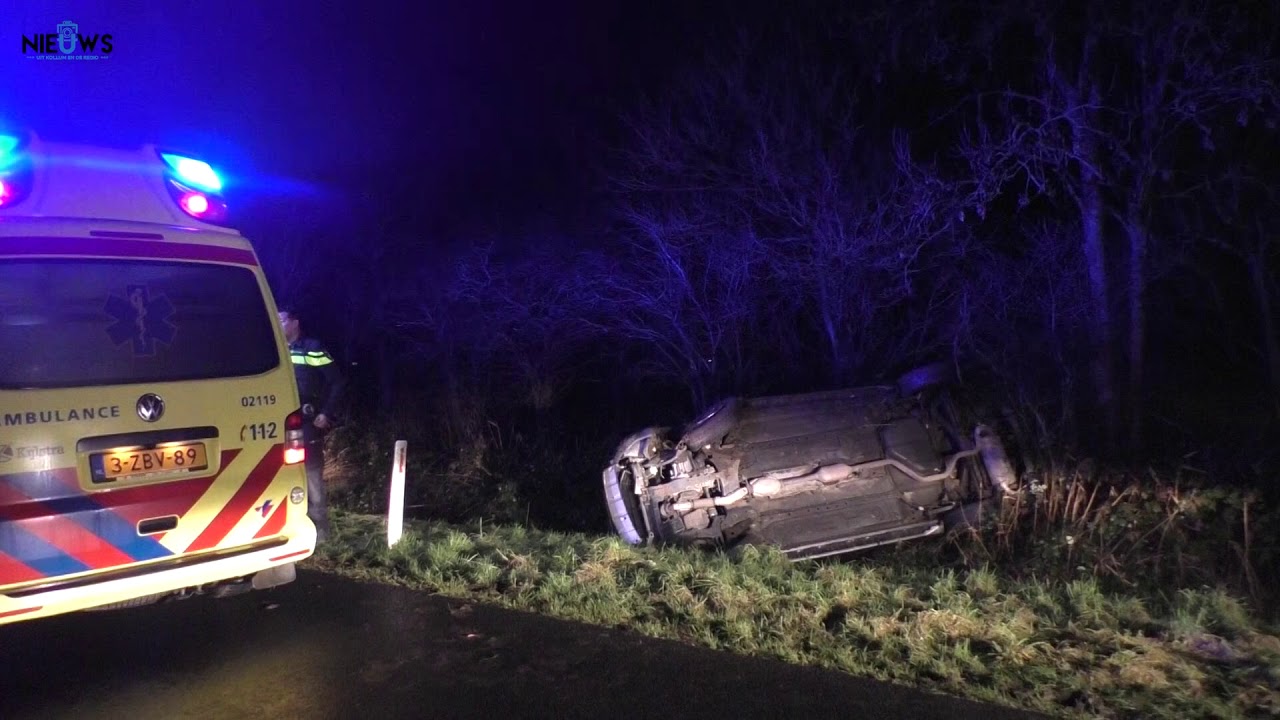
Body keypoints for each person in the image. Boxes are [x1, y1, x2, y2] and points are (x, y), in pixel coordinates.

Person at [278, 305, 346, 543]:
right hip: (281, 420)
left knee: (312, 473)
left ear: (295, 323)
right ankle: (292, 524)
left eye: (282, 320)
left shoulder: (312, 349)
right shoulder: (276, 349)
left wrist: (326, 413)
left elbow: (337, 383)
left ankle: (320, 530)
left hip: (307, 420)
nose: (279, 324)